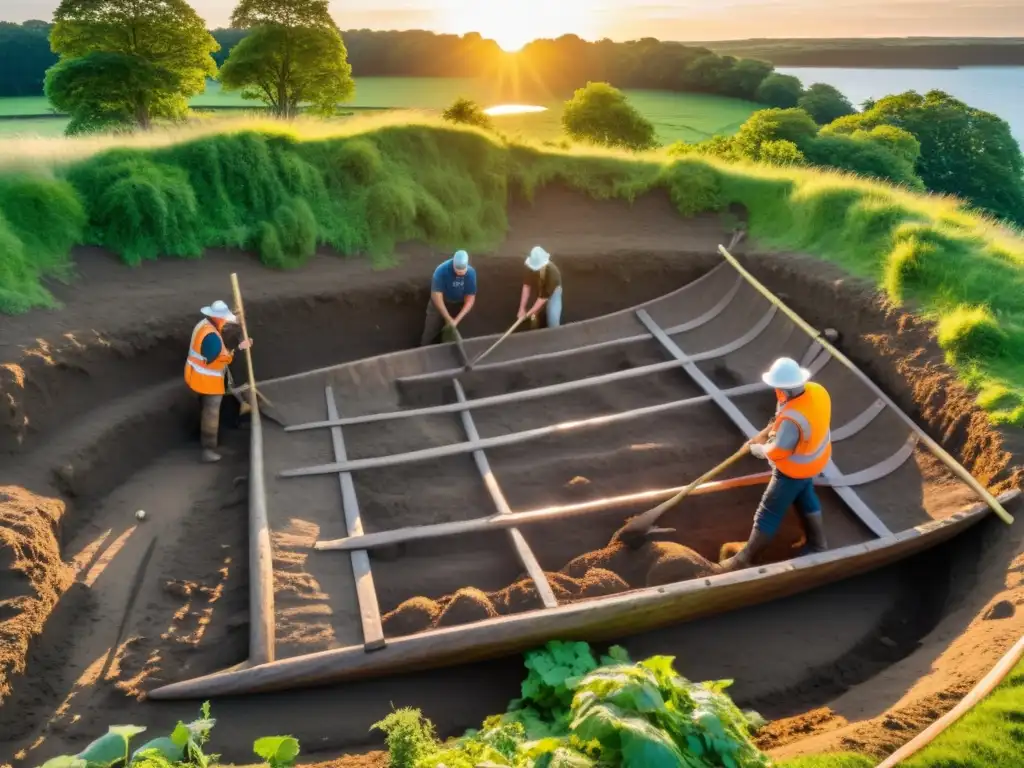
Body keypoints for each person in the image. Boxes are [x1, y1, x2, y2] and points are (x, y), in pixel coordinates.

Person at [719, 356, 832, 572]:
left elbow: (779, 450)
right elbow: (783, 419)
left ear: (786, 388)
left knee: (768, 511)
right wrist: (766, 432)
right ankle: (819, 545)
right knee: (805, 495)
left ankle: (745, 558)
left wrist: (757, 449)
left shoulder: (793, 419)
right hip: (815, 460)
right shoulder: (816, 391)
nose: (775, 390)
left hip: (792, 471)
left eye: (778, 386)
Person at [184, 300, 252, 463]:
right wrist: (240, 347)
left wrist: (237, 319)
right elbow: (223, 359)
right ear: (219, 318)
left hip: (196, 372)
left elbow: (224, 329)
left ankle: (206, 437)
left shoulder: (205, 324)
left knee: (208, 407)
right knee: (211, 411)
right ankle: (208, 450)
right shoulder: (211, 338)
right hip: (205, 378)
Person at [420, 249, 477, 346]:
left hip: (457, 303)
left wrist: (456, 320)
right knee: (431, 331)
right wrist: (448, 318)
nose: (459, 273)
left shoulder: (471, 273)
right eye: (457, 271)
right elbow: (436, 297)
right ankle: (424, 349)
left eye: (462, 272)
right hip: (439, 303)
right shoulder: (441, 271)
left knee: (456, 331)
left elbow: (470, 298)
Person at [519, 246, 563, 329]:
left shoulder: (553, 273)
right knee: (533, 316)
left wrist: (528, 313)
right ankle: (535, 331)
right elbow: (527, 286)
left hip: (553, 292)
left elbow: (543, 298)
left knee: (553, 321)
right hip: (539, 289)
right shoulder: (530, 267)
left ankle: (553, 335)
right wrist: (522, 308)